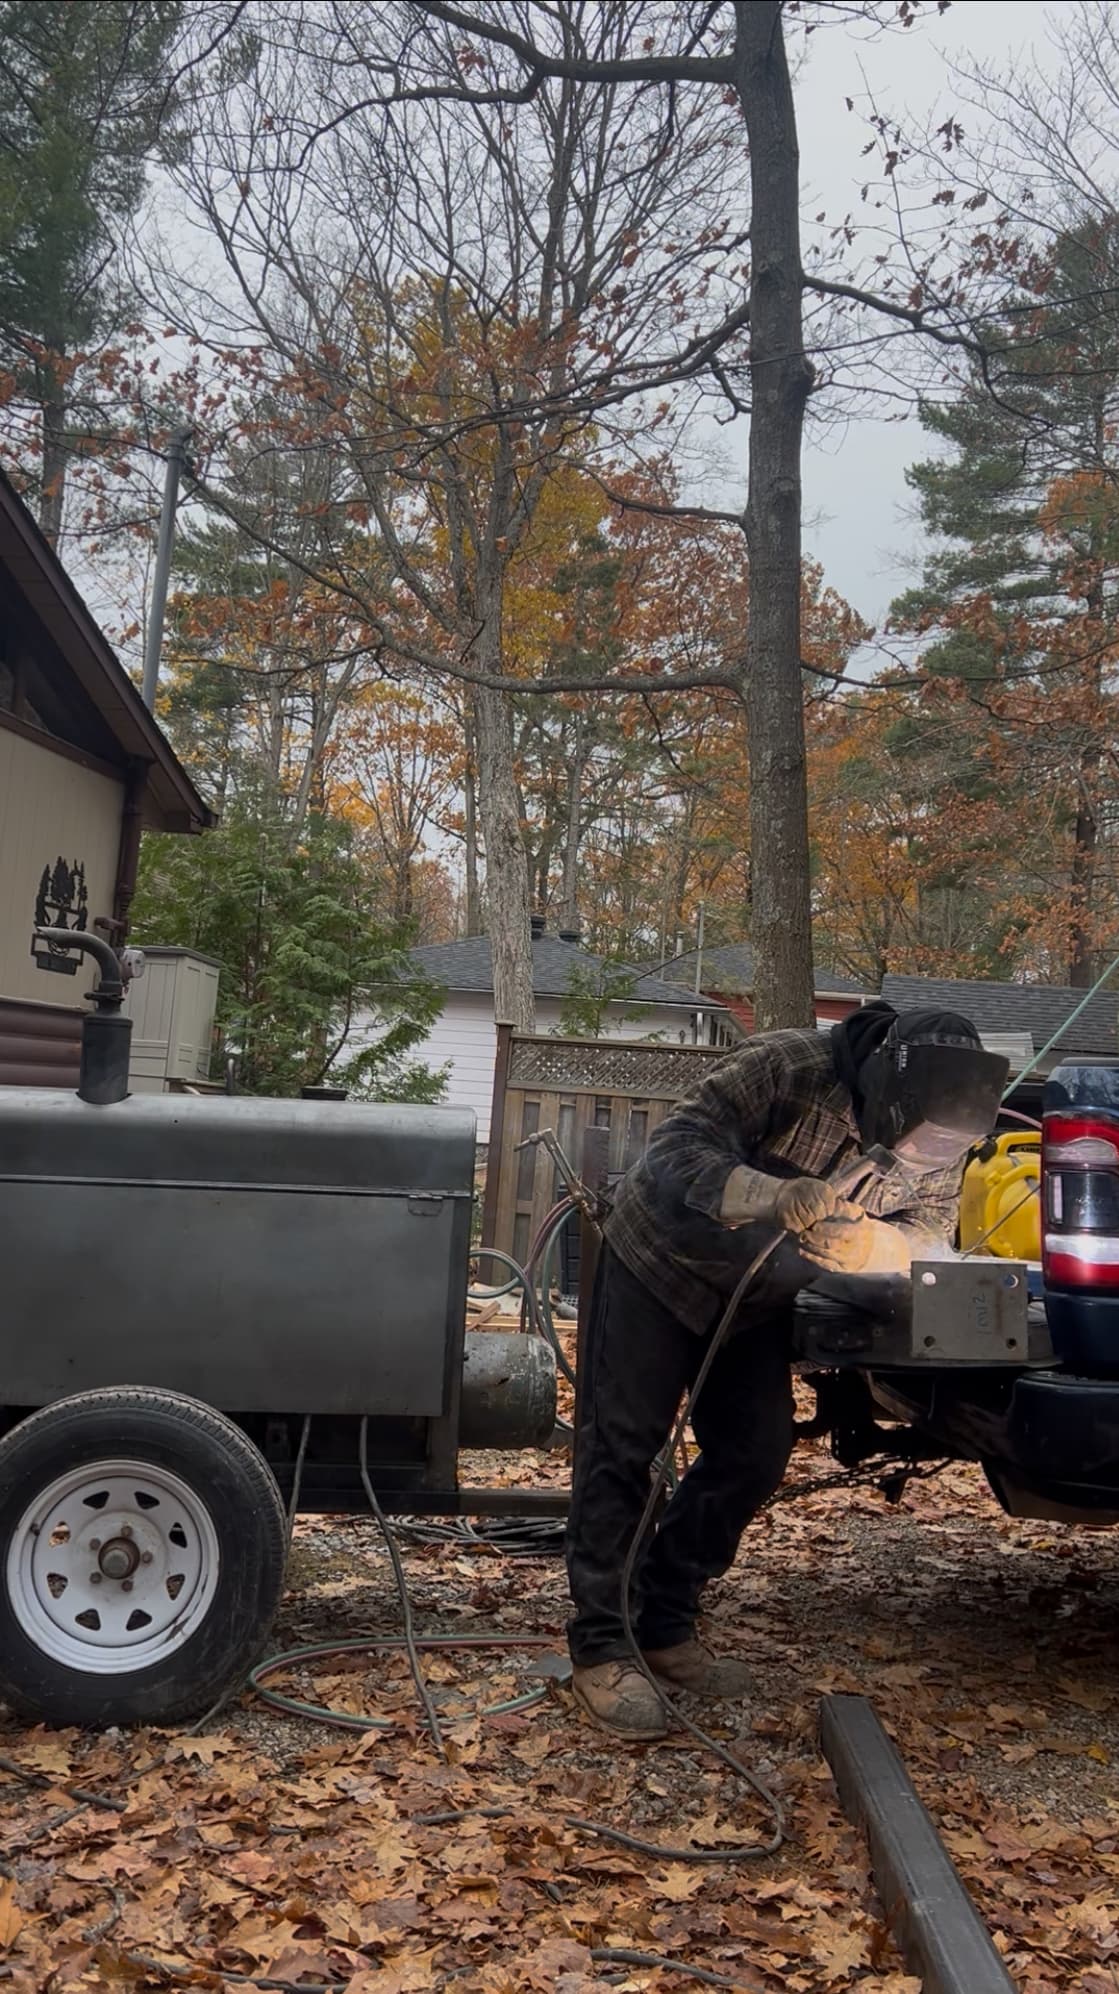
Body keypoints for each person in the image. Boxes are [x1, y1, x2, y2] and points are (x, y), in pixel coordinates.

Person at [566, 1002, 1008, 1738]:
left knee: (754, 1450)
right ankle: (601, 1646)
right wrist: (772, 1194)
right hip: (658, 1264)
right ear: (883, 1081)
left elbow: (928, 1226)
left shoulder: (949, 1123)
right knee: (623, 1444)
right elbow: (676, 1151)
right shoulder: (785, 1066)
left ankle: (663, 1619)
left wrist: (873, 1247)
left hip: (758, 1296)